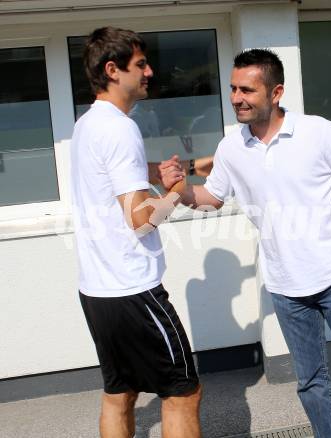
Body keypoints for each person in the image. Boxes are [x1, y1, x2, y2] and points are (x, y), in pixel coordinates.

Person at [161, 49, 331, 437]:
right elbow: (213, 198)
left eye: (247, 90)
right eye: (233, 88)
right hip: (286, 287)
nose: (236, 97)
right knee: (311, 384)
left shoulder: (317, 131)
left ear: (276, 93)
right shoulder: (232, 147)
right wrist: (181, 190)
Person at [70, 26, 201, 438]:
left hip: (96, 290)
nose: (149, 72)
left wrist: (153, 173)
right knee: (183, 393)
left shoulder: (88, 124)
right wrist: (177, 192)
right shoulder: (120, 128)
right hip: (133, 291)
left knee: (119, 393)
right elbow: (143, 219)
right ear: (113, 69)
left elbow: (112, 180)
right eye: (140, 64)